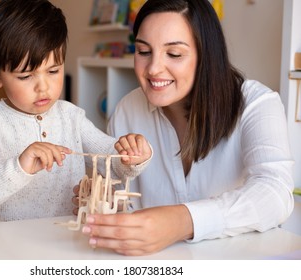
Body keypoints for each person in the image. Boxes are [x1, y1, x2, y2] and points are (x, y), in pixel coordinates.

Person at [78, 0, 294, 256]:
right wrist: (99, 201)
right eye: (144, 51)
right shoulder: (127, 110)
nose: (154, 68)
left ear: (206, 55)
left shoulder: (256, 104)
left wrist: (181, 221)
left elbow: (275, 194)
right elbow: (118, 195)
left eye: (174, 54)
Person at [0, 0, 152, 224]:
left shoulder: (71, 116)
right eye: (26, 76)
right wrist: (20, 166)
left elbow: (110, 162)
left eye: (54, 71)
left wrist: (130, 156)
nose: (43, 87)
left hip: (62, 238)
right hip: (5, 246)